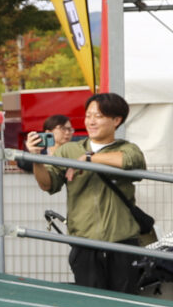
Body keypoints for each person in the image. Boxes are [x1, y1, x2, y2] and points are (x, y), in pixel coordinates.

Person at [30, 91, 148, 292]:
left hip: (123, 242)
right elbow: (48, 184)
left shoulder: (128, 148)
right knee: (90, 303)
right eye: (88, 115)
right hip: (84, 242)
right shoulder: (67, 151)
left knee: (126, 304)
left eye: (99, 116)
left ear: (116, 120)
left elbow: (131, 162)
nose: (91, 121)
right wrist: (36, 159)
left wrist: (88, 159)